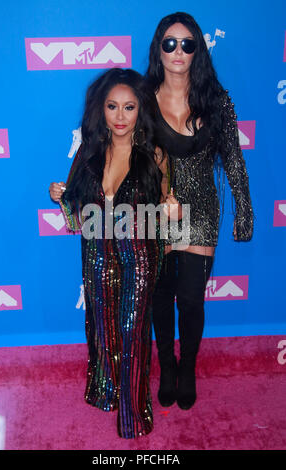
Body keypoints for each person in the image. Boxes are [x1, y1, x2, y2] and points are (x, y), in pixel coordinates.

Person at [49, 68, 176, 439]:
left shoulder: (155, 154)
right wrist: (61, 198)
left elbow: (167, 210)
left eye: (129, 107)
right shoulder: (90, 152)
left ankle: (134, 414)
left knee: (133, 333)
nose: (120, 116)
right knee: (101, 329)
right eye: (112, 106)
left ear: (141, 110)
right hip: (96, 255)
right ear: (100, 110)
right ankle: (105, 391)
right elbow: (75, 218)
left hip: (139, 255)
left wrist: (170, 209)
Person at [145, 12, 254, 410]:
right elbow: (130, 156)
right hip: (155, 213)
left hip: (202, 210)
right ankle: (167, 366)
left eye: (187, 44)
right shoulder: (143, 97)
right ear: (159, 48)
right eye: (170, 43)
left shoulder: (216, 98)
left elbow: (234, 159)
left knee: (191, 300)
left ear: (198, 50)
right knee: (160, 298)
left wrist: (244, 210)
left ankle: (187, 366)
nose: (178, 52)